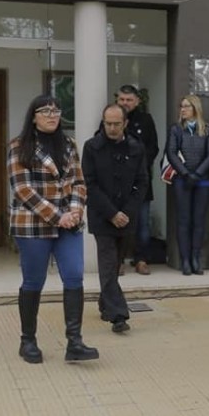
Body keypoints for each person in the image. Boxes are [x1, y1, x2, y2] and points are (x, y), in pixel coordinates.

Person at [8, 94, 98, 364]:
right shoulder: (19, 145)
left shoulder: (69, 144)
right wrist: (57, 216)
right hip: (33, 224)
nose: (52, 115)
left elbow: (79, 182)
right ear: (33, 116)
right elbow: (22, 189)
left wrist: (74, 211)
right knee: (33, 281)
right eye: (45, 111)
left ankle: (75, 342)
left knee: (74, 276)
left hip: (68, 224)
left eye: (56, 111)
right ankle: (28, 341)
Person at [82, 104, 148, 333]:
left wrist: (127, 212)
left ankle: (105, 302)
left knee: (117, 262)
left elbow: (142, 183)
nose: (111, 128)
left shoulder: (136, 148)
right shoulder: (92, 147)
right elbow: (89, 184)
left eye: (116, 124)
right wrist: (111, 213)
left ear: (125, 124)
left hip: (127, 216)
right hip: (103, 216)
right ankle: (118, 315)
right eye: (107, 123)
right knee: (108, 263)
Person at [166, 95, 209, 276]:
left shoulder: (207, 130)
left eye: (187, 106)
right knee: (184, 220)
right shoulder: (176, 130)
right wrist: (186, 174)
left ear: (195, 108)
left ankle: (196, 258)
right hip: (182, 179)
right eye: (181, 106)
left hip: (202, 180)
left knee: (198, 221)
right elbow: (171, 152)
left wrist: (197, 174)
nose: (183, 109)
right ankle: (185, 260)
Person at [115, 84, 159, 275]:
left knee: (142, 224)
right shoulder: (112, 119)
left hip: (141, 181)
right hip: (117, 182)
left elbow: (153, 148)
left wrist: (137, 168)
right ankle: (119, 261)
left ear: (137, 101)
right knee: (119, 223)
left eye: (129, 100)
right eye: (122, 100)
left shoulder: (146, 120)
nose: (125, 103)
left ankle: (141, 260)